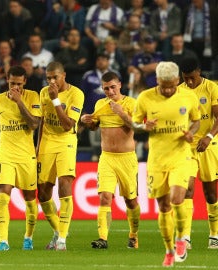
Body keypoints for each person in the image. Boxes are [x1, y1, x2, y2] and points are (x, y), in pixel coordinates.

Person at [132, 61, 201, 267]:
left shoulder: (188, 96)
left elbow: (196, 120)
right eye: (164, 85)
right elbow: (134, 124)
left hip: (180, 156)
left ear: (177, 80)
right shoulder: (145, 97)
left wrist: (191, 132)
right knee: (163, 207)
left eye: (172, 85)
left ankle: (181, 238)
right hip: (156, 160)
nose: (169, 89)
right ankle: (169, 249)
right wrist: (144, 126)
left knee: (177, 197)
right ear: (158, 81)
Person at [80, 71, 140, 249]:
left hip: (127, 158)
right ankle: (103, 238)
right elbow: (94, 127)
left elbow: (136, 126)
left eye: (113, 87)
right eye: (106, 88)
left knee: (131, 201)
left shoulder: (131, 103)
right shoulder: (100, 104)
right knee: (105, 197)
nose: (110, 91)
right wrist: (87, 121)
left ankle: (133, 235)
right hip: (107, 158)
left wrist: (121, 113)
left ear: (120, 85)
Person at [0, 65, 41, 251]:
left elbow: (34, 124)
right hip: (5, 155)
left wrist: (19, 102)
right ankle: (3, 241)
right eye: (12, 83)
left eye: (18, 83)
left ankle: (28, 237)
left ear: (24, 81)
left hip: (26, 156)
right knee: (2, 196)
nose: (15, 87)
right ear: (7, 80)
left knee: (30, 199)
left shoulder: (33, 97)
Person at [37, 61, 84, 251]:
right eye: (48, 78)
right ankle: (58, 230)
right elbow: (42, 120)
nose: (51, 81)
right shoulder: (43, 93)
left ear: (63, 75)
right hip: (46, 143)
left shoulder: (76, 94)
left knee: (64, 186)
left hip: (66, 142)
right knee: (43, 193)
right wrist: (37, 146)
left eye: (54, 77)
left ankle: (62, 239)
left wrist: (56, 100)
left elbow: (67, 125)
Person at [178, 57, 218, 249]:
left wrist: (209, 136)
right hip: (189, 146)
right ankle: (185, 237)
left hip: (209, 143)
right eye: (186, 79)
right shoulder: (180, 91)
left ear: (199, 72)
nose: (190, 82)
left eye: (192, 78)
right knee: (188, 190)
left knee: (211, 194)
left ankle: (214, 235)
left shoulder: (211, 88)